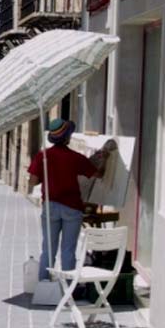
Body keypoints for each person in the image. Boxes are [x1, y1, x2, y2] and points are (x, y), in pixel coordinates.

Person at [28, 118, 103, 281]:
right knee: (68, 250)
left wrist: (45, 177)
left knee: (48, 248)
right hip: (72, 207)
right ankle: (68, 287)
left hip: (51, 206)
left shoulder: (43, 156)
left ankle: (43, 282)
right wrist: (100, 158)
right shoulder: (76, 158)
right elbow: (98, 174)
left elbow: (32, 181)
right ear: (67, 137)